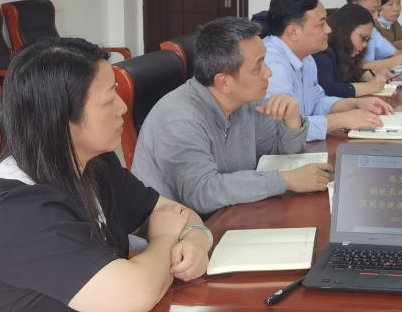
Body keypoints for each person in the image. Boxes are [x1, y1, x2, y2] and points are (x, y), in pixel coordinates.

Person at [0, 37, 258, 312]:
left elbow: (174, 214)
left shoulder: (90, 163)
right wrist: (165, 242)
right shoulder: (16, 211)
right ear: (63, 118)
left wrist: (194, 240)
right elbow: (132, 292)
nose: (124, 107)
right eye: (109, 100)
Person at [132, 17, 331, 216]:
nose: (268, 72)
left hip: (232, 213)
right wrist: (285, 180)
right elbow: (201, 193)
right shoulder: (180, 119)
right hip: (184, 229)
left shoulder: (243, 102)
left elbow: (282, 155)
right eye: (258, 66)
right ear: (224, 82)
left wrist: (292, 121)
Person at [261, 0, 392, 137]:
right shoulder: (272, 65)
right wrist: (341, 120)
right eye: (321, 23)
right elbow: (283, 131)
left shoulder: (306, 58)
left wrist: (355, 104)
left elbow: (317, 102)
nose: (329, 29)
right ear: (293, 32)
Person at [314, 4, 385, 98]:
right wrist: (367, 87)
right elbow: (328, 90)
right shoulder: (323, 52)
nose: (365, 45)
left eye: (368, 39)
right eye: (363, 38)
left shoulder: (344, 52)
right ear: (344, 30)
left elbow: (352, 72)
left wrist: (370, 77)